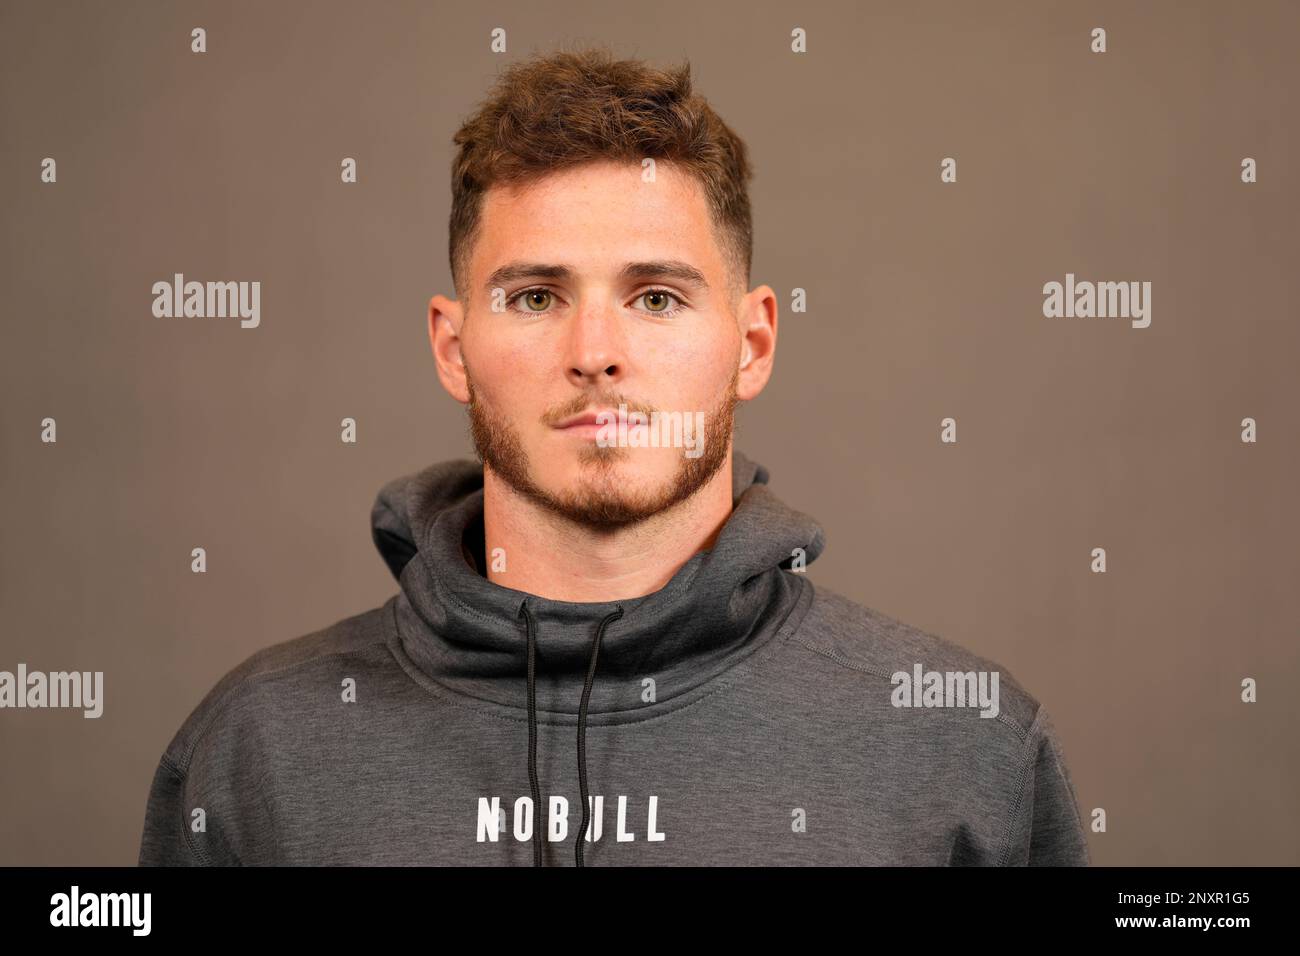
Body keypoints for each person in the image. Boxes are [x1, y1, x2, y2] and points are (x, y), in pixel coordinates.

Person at [138, 47, 1089, 866]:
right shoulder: (257, 748)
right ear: (452, 346)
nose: (595, 351)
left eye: (658, 297)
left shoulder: (963, 745)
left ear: (751, 345)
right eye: (536, 297)